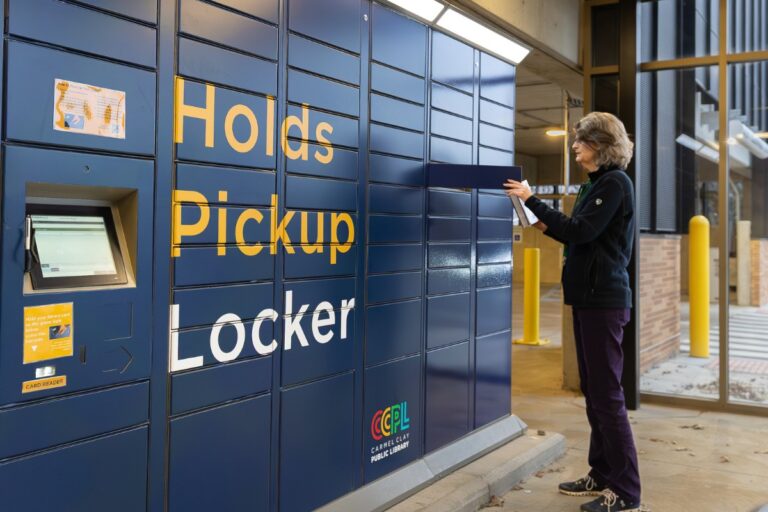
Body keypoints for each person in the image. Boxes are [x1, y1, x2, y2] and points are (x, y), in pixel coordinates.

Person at [504, 112, 641, 512]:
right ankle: (601, 473)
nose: (575, 147)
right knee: (595, 395)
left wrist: (533, 199)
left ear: (600, 144)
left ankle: (627, 491)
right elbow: (569, 229)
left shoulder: (615, 183)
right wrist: (531, 212)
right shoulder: (596, 185)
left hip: (604, 302)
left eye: (581, 141)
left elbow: (580, 231)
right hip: (587, 299)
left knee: (608, 397)